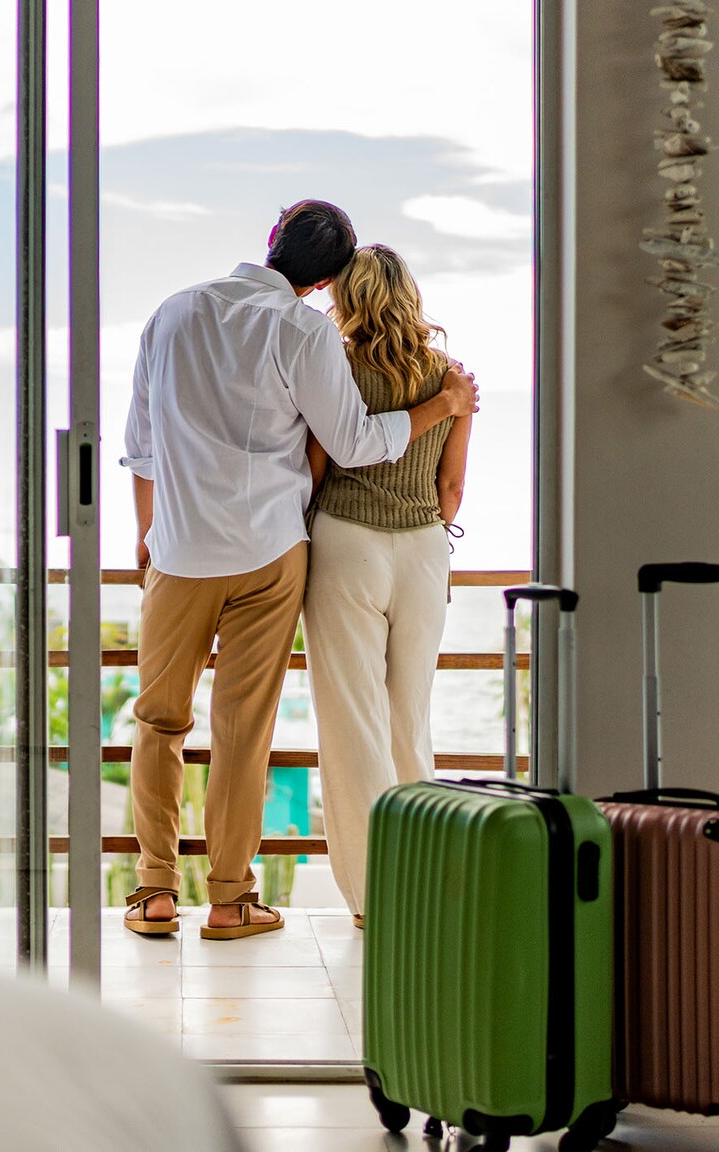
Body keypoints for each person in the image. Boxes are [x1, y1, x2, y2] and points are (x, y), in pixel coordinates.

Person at [120, 202, 478, 940]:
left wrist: (146, 533)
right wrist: (443, 406)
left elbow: (142, 443)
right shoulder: (304, 329)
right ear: (324, 283)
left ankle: (154, 892)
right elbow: (352, 440)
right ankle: (229, 898)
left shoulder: (173, 312)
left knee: (158, 721)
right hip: (270, 553)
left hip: (181, 551)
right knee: (243, 729)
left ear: (273, 240)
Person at [302, 245, 471, 927]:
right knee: (410, 721)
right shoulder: (449, 376)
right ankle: (428, 881)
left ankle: (377, 899)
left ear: (348, 296)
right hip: (425, 551)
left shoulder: (335, 368)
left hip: (346, 545)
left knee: (353, 724)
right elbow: (452, 492)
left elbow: (316, 468)